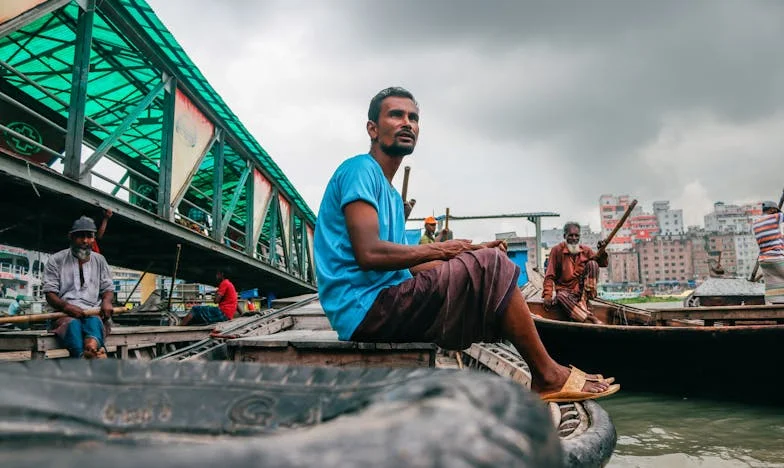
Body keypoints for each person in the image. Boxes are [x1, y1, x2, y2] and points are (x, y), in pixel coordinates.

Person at [314, 87, 618, 402]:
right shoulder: (359, 170)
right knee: (492, 265)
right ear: (373, 128)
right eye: (396, 115)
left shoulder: (390, 195)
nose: (408, 123)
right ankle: (548, 375)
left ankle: (546, 372)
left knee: (488, 263)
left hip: (382, 305)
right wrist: (448, 251)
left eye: (413, 118)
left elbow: (409, 264)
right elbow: (370, 254)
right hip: (364, 309)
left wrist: (470, 253)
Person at [42, 216, 115, 359]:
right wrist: (66, 307)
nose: (85, 241)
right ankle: (84, 355)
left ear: (94, 238)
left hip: (92, 311)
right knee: (73, 324)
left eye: (89, 236)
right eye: (80, 236)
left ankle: (91, 349)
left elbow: (107, 288)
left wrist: (107, 302)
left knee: (94, 322)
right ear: (71, 237)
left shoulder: (100, 260)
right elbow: (50, 293)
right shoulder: (56, 260)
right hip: (64, 314)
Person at [542, 223, 608, 324]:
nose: (574, 238)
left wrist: (602, 251)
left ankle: (584, 302)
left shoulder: (585, 251)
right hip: (565, 293)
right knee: (560, 297)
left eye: (576, 236)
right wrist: (547, 295)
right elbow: (550, 275)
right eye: (571, 235)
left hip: (582, 293)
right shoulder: (557, 251)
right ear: (565, 236)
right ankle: (589, 318)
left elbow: (602, 263)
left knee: (593, 264)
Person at [752, 201, 784, 303]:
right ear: (772, 210)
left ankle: (777, 304)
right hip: (775, 257)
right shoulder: (776, 217)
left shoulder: (755, 223)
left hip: (764, 260)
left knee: (774, 284)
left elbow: (772, 239)